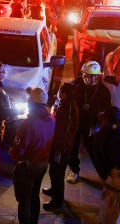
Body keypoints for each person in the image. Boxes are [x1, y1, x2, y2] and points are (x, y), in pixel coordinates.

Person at [10, 87, 55, 224]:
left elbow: (19, 151)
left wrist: (12, 153)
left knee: (23, 200)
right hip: (43, 164)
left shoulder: (27, 124)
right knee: (34, 194)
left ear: (31, 104)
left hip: (28, 166)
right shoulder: (52, 118)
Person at [67, 60, 112, 184]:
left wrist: (99, 126)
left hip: (91, 125)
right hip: (76, 122)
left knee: (95, 150)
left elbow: (106, 110)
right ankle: (74, 170)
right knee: (72, 148)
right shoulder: (77, 84)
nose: (88, 79)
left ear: (97, 76)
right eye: (86, 75)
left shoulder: (103, 91)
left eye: (91, 76)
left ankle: (104, 175)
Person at [42, 82, 79, 211]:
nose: (59, 93)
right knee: (54, 171)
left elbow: (67, 131)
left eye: (61, 91)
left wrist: (59, 149)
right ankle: (54, 191)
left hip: (61, 148)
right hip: (58, 146)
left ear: (65, 94)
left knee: (57, 173)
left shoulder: (68, 108)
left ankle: (57, 201)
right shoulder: (64, 105)